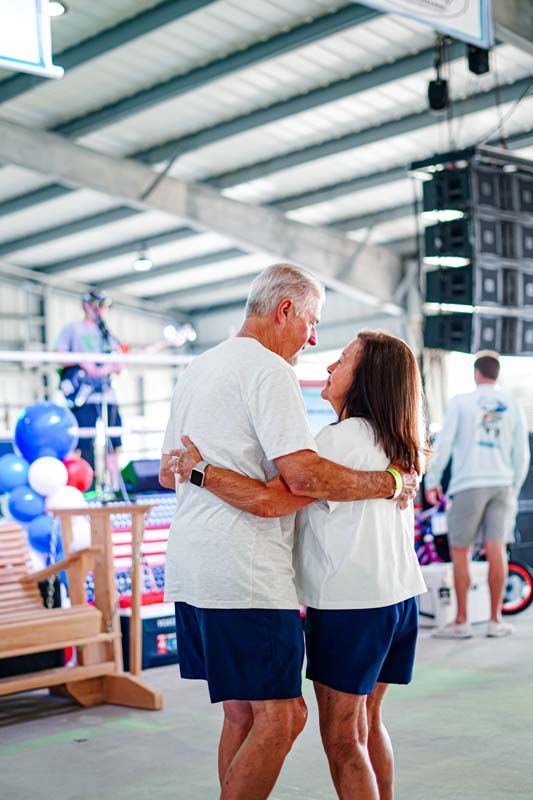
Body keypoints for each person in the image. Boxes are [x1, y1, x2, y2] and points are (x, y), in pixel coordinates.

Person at [159, 263, 418, 800]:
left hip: (197, 568)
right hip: (249, 573)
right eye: (313, 322)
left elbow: (169, 470)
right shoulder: (273, 372)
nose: (314, 340)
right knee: (286, 718)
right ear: (285, 311)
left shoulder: (198, 368)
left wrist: (201, 470)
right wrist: (391, 482)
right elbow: (297, 482)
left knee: (245, 716)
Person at [425, 351, 530, 639]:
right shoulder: (512, 404)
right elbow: (522, 453)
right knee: (497, 551)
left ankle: (462, 621)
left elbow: (444, 443)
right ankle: (496, 620)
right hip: (503, 484)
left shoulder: (461, 402)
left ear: (476, 373)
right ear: (497, 374)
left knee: (461, 552)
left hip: (468, 484)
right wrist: (513, 486)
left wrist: (432, 480)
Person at [55, 289, 123, 472]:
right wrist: (84, 362)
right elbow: (59, 355)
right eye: (97, 305)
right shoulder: (73, 329)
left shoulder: (108, 334)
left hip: (107, 395)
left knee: (114, 441)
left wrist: (111, 366)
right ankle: (86, 482)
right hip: (83, 396)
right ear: (86, 305)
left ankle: (114, 483)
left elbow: (119, 367)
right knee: (83, 443)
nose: (100, 310)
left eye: (103, 306)